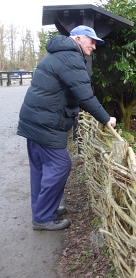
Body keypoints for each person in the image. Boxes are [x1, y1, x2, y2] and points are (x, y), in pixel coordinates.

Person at [17, 25, 117, 231]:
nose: (94, 46)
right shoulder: (71, 57)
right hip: (46, 123)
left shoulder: (58, 53)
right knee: (61, 165)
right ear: (79, 38)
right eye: (92, 41)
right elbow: (84, 96)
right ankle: (43, 217)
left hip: (33, 120)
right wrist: (106, 119)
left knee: (40, 168)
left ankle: (43, 209)